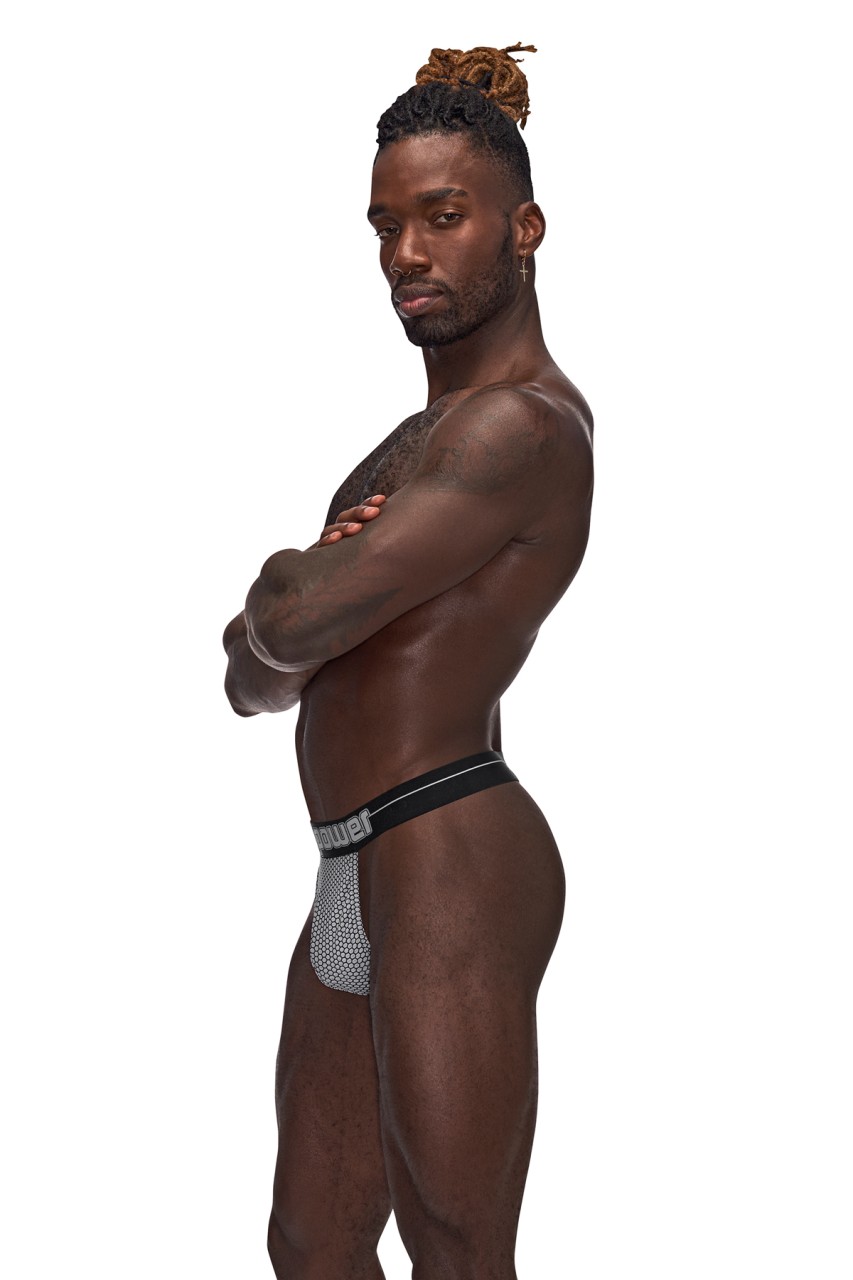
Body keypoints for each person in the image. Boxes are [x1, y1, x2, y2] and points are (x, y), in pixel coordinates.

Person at [223, 42, 594, 1280]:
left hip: (447, 848)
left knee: (454, 1243)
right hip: (348, 856)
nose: (406, 255)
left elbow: (288, 623)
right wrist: (292, 605)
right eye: (386, 225)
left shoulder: (517, 427)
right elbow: (252, 675)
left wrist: (290, 586)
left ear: (521, 228)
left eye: (442, 217)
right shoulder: (406, 443)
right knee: (312, 1240)